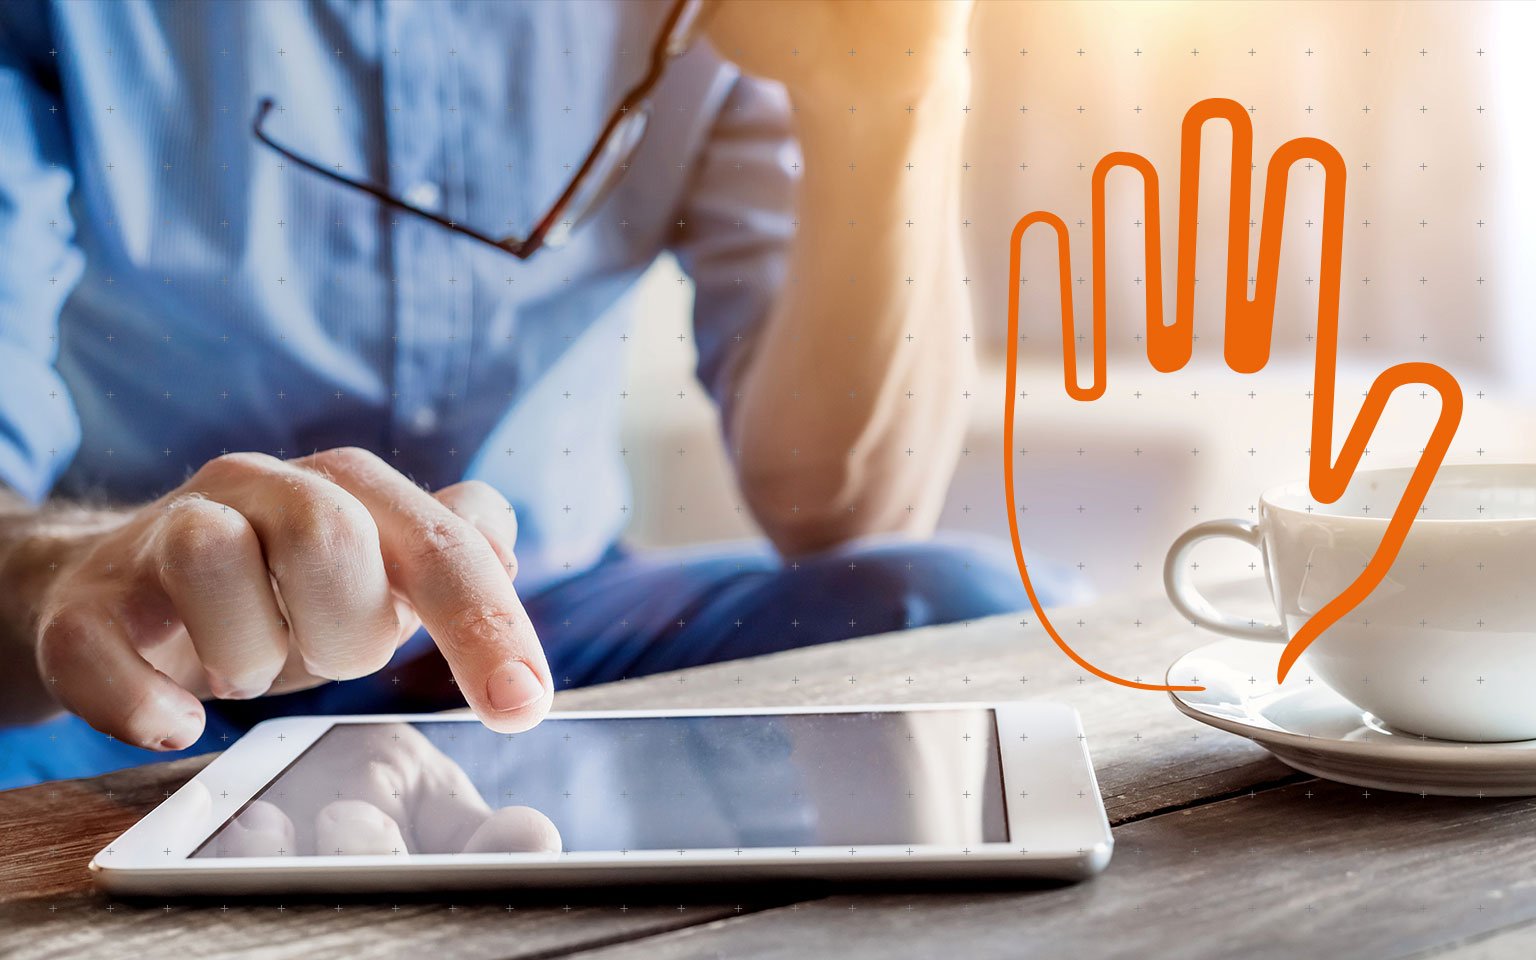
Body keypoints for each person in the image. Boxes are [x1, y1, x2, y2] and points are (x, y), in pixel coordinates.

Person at [0, 0, 1067, 789]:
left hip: (559, 628)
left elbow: (842, 507)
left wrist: (890, 101)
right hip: (159, 646)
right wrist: (69, 576)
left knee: (974, 630)